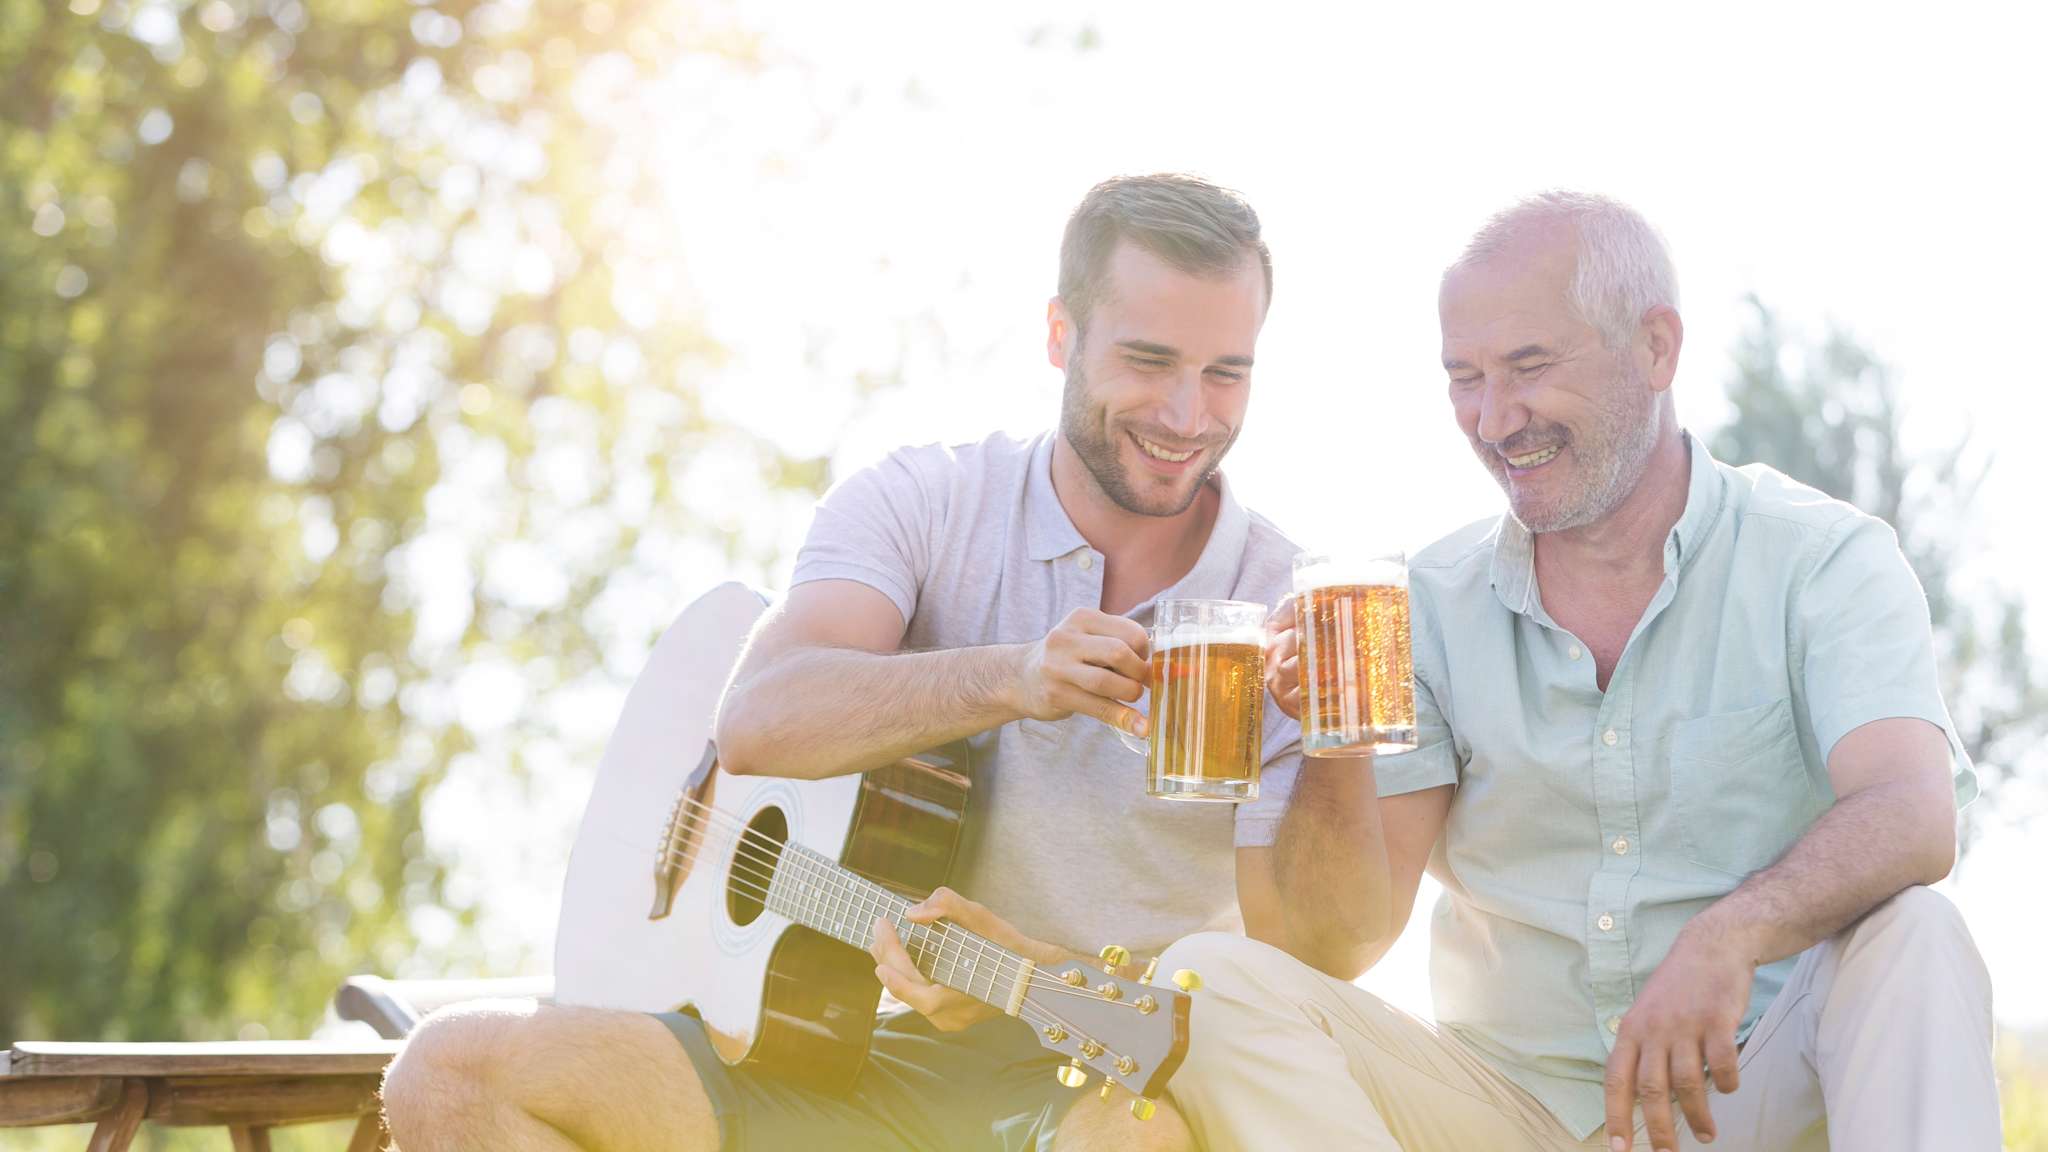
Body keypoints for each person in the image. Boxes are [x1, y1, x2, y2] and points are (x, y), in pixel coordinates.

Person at [381, 172, 1304, 1152]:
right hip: (823, 1054)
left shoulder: (1282, 611)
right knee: (448, 1074)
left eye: (1224, 374)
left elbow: (1308, 960)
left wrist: (1335, 752)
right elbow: (757, 719)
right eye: (1148, 360)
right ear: (1058, 336)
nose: (1185, 412)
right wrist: (1013, 678)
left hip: (1086, 1069)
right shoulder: (926, 500)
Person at [1157, 191, 1999, 1152]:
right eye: (1463, 377)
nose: (1494, 416)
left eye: (1529, 367)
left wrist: (1732, 934)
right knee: (1207, 980)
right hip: (1510, 1114)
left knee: (1919, 935)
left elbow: (1913, 813)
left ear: (1656, 348)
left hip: (1747, 1087)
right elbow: (1334, 947)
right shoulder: (1423, 604)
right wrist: (1334, 740)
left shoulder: (1822, 561)